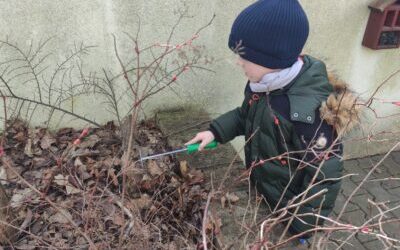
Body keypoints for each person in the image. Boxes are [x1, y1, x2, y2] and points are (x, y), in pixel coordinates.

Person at [186, 0, 359, 241]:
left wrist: (302, 225)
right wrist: (215, 132)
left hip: (291, 212)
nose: (239, 62)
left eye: (245, 57)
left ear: (272, 59)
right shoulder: (264, 85)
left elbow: (324, 175)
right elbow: (245, 115)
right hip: (266, 192)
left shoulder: (306, 114)